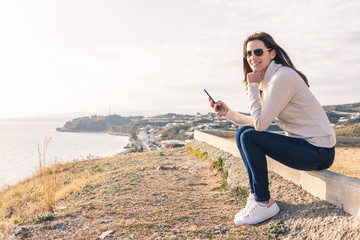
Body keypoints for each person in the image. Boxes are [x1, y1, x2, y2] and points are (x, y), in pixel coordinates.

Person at [209, 32, 336, 225]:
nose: (252, 57)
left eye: (258, 52)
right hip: (303, 145)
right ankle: (256, 196)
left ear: (272, 53)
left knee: (249, 136)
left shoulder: (282, 78)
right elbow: (257, 120)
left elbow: (260, 125)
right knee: (243, 132)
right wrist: (228, 113)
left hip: (319, 151)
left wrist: (252, 87)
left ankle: (264, 202)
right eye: (248, 54)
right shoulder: (269, 81)